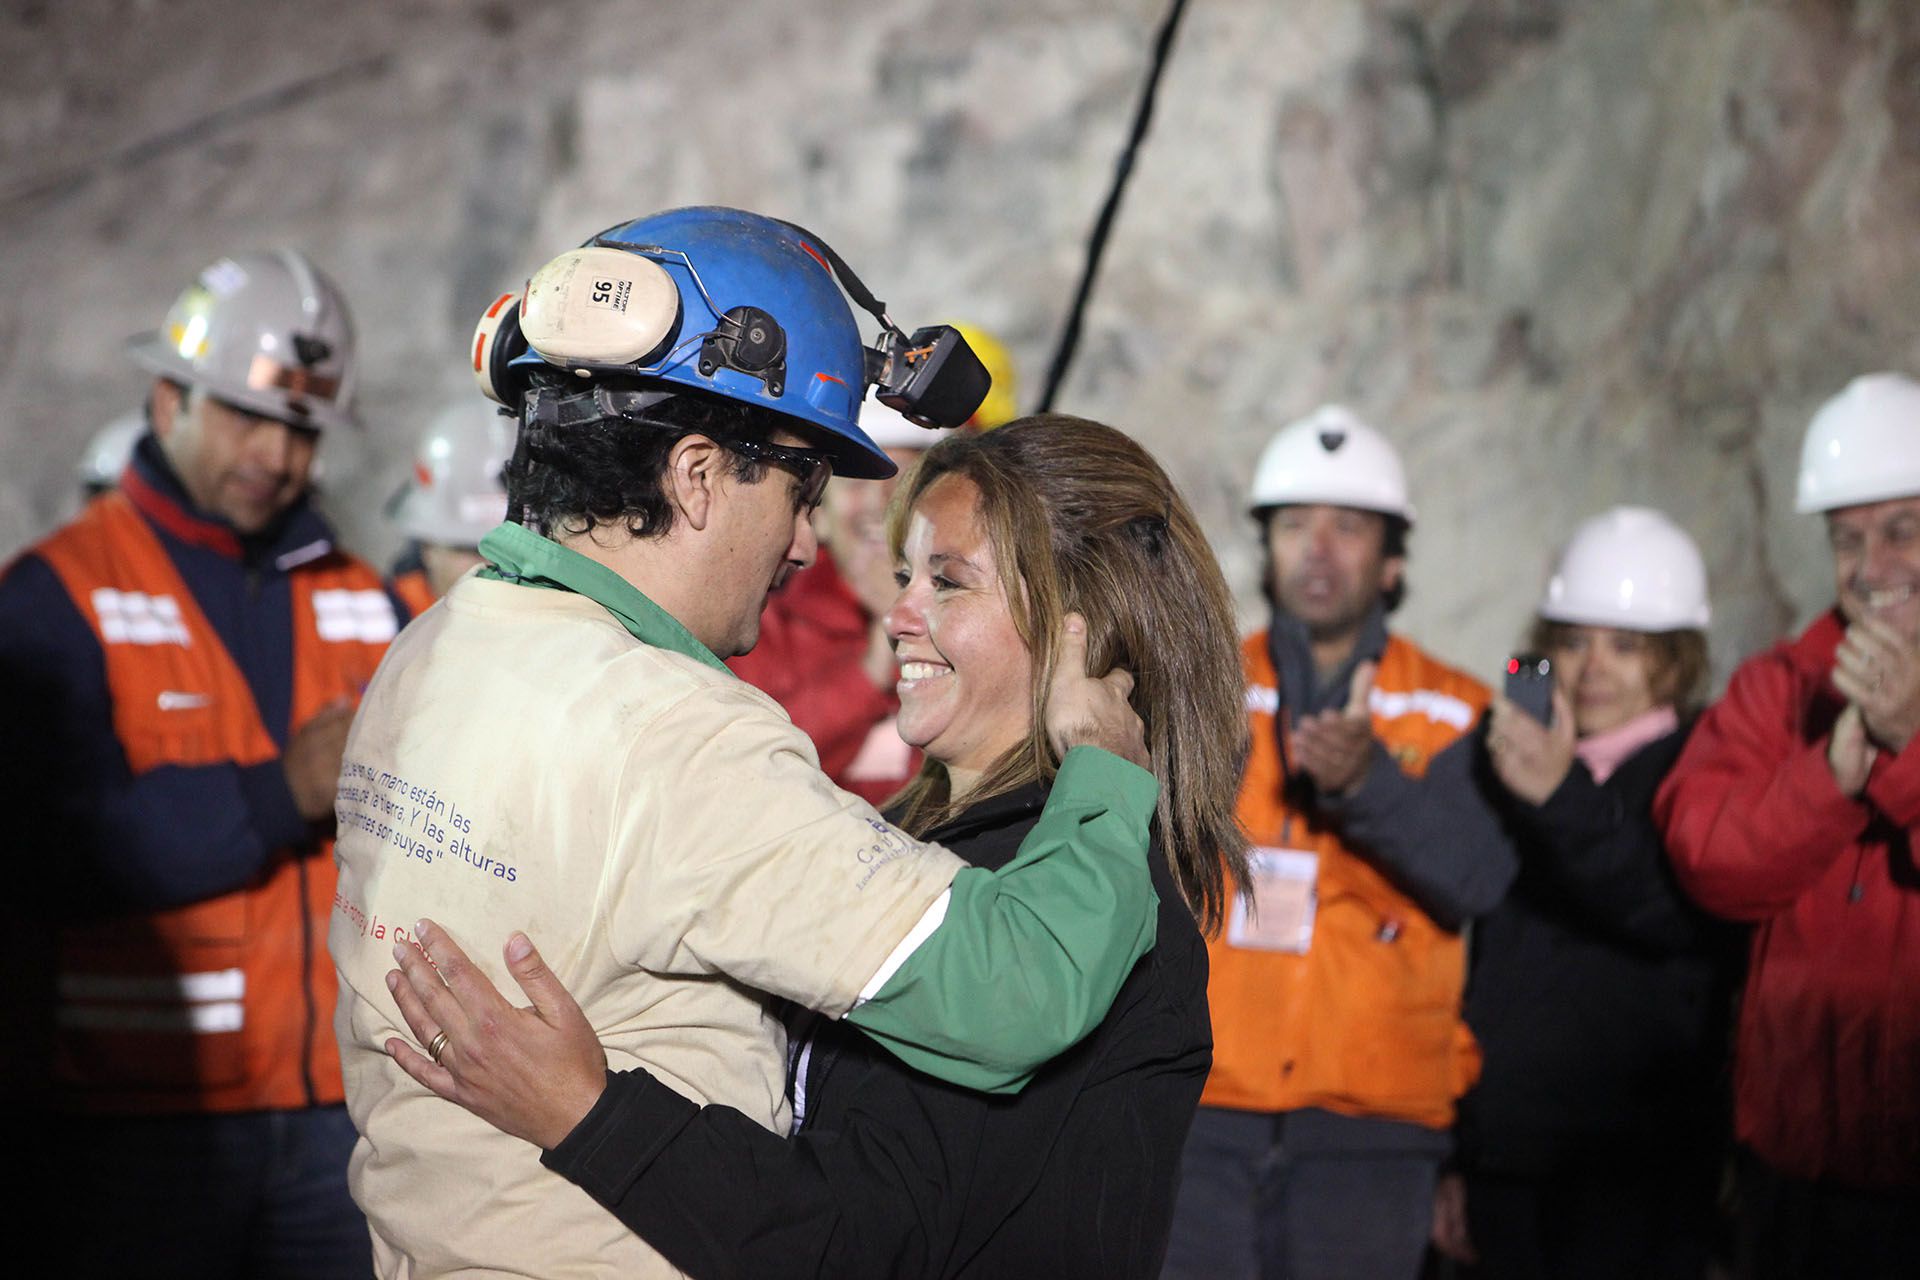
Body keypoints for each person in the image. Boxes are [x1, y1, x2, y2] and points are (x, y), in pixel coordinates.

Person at [328, 206, 1167, 1278]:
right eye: (798, 488)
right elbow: (1019, 990)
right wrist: (1104, 776)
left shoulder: (437, 647)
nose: (807, 544)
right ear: (695, 475)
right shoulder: (670, 733)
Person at [381, 414, 1250, 1278]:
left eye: (948, 583)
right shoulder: (928, 850)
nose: (899, 614)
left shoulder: (1079, 906)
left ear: (1083, 630)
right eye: (908, 575)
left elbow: (855, 1244)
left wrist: (589, 1113)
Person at [0, 249, 395, 1277]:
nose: (275, 451)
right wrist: (280, 793)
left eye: (301, 428)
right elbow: (46, 846)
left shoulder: (362, 597)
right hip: (139, 1122)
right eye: (244, 415)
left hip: (338, 1113)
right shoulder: (54, 597)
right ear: (165, 396)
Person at [1163, 404, 1518, 1280]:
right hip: (1200, 1108)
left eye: (1348, 528)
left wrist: (1368, 786)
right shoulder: (1199, 685)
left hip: (1375, 1129)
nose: (1318, 549)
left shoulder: (1454, 708)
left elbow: (1475, 877)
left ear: (1393, 557)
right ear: (1266, 549)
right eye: (1294, 526)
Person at [1655, 372, 1920, 1279]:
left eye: (1902, 529)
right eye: (1848, 540)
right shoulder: (1786, 684)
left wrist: (1907, 749)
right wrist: (1837, 771)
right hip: (1793, 1177)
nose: (1873, 565)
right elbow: (1708, 854)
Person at [1432, 507, 1742, 1280]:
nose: (1592, 668)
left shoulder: (1710, 760)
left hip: (1641, 1169)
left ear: (1674, 660)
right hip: (1509, 1152)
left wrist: (1558, 792)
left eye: (1625, 647)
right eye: (1572, 642)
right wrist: (1455, 1153)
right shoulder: (1505, 766)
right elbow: (1479, 976)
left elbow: (1675, 908)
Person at [727, 394, 950, 803]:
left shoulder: (976, 620)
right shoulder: (759, 624)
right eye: (857, 483)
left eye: (904, 480)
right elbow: (755, 771)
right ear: (819, 514)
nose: (879, 504)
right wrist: (879, 656)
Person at [387, 400, 513, 613]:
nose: (492, 568)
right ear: (427, 548)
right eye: (472, 550)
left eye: (511, 554)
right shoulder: (382, 629)